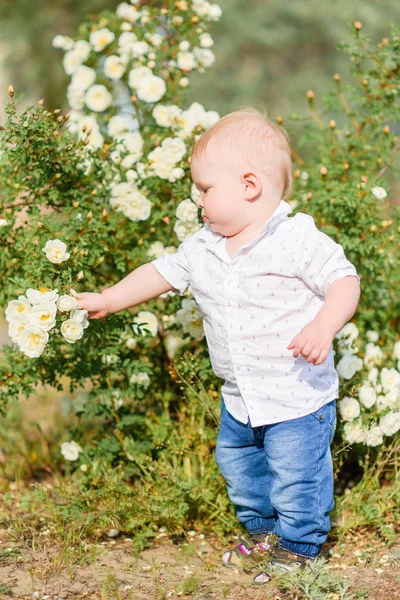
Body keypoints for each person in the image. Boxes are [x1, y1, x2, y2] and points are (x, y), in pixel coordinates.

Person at [72, 107, 360, 584]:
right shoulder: (203, 245)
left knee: (297, 475)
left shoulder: (295, 238)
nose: (197, 198)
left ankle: (301, 545)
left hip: (294, 396)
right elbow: (160, 273)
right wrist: (108, 298)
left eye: (205, 189)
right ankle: (264, 532)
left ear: (249, 186)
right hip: (239, 397)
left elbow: (343, 281)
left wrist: (324, 326)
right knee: (241, 469)